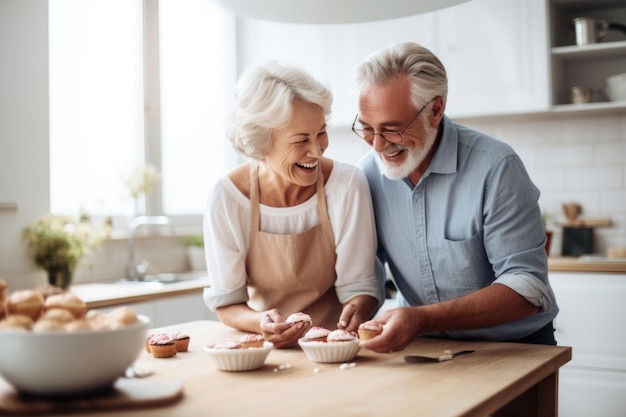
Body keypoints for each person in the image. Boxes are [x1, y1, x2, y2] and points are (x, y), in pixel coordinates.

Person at [353, 42, 559, 352]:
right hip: (422, 345)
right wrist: (359, 307)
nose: (378, 145)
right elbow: (366, 270)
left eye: (392, 129)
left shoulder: (496, 167)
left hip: (514, 348)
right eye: (367, 128)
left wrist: (422, 318)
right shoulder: (368, 174)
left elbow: (526, 288)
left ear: (435, 110)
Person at [203, 62, 383, 348]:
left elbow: (360, 287)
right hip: (266, 349)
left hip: (336, 347)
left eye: (321, 133)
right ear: (261, 144)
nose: (317, 149)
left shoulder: (346, 184)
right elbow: (227, 303)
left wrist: (359, 309)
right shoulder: (228, 198)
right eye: (300, 140)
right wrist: (261, 322)